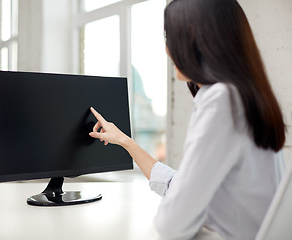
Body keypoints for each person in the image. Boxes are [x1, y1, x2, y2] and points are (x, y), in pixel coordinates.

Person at [88, 0, 286, 239]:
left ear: (195, 38)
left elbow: (173, 223)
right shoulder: (246, 94)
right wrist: (125, 141)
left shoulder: (221, 101)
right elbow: (182, 185)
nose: (167, 48)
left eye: (169, 35)